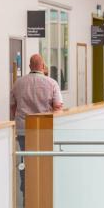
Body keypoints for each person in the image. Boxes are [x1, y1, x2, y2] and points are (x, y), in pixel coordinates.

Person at [10, 54, 63, 198]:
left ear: (29, 66)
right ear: (43, 66)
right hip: (44, 128)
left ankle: (26, 191)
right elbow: (58, 107)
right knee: (44, 159)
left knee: (25, 160)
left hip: (23, 129)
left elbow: (13, 107)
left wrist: (14, 126)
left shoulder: (18, 83)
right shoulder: (52, 83)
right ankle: (43, 190)